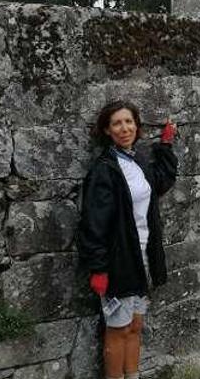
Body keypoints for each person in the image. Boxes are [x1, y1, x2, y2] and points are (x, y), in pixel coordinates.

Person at [78, 100, 178, 379]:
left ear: (137, 125)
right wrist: (98, 269)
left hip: (142, 257)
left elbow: (160, 182)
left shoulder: (137, 162)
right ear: (107, 131)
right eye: (117, 124)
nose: (125, 128)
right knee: (118, 329)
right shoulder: (105, 169)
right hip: (118, 260)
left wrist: (166, 145)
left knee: (134, 326)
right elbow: (93, 224)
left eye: (129, 122)